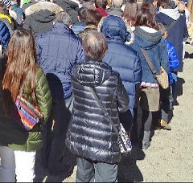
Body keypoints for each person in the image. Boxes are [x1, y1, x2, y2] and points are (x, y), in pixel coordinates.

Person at [67, 31, 130, 183]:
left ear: (84, 49)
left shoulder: (75, 72)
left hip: (81, 132)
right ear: (105, 51)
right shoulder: (112, 77)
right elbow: (124, 105)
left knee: (83, 176)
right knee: (106, 178)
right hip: (105, 137)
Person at [0, 29, 52, 182]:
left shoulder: (0, 66)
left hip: (3, 124)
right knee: (25, 172)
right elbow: (45, 105)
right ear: (30, 46)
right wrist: (36, 124)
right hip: (27, 130)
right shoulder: (35, 72)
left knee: (6, 167)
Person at [36, 11, 84, 174]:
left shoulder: (42, 38)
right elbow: (80, 67)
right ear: (70, 25)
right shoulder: (77, 42)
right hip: (66, 90)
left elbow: (35, 60)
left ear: (54, 23)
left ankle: (43, 158)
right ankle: (55, 162)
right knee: (61, 129)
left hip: (44, 87)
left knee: (44, 124)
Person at [132, 8, 169, 150]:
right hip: (152, 78)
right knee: (148, 111)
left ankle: (134, 137)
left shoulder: (133, 34)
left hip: (135, 77)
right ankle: (145, 140)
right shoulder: (159, 37)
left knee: (134, 108)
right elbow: (164, 61)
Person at [100, 14, 142, 133]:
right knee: (121, 138)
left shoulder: (98, 51)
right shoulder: (132, 54)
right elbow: (137, 81)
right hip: (125, 103)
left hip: (101, 102)